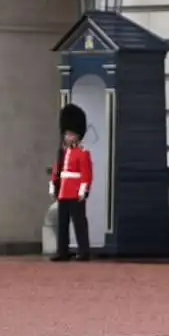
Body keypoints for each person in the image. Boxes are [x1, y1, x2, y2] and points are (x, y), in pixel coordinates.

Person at [49, 105, 93, 262]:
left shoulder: (83, 153)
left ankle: (84, 251)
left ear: (77, 136)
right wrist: (53, 185)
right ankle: (62, 250)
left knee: (79, 223)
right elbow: (57, 170)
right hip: (63, 192)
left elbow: (86, 174)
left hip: (75, 192)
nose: (68, 137)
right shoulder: (62, 152)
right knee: (62, 223)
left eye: (71, 134)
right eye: (66, 134)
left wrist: (83, 191)